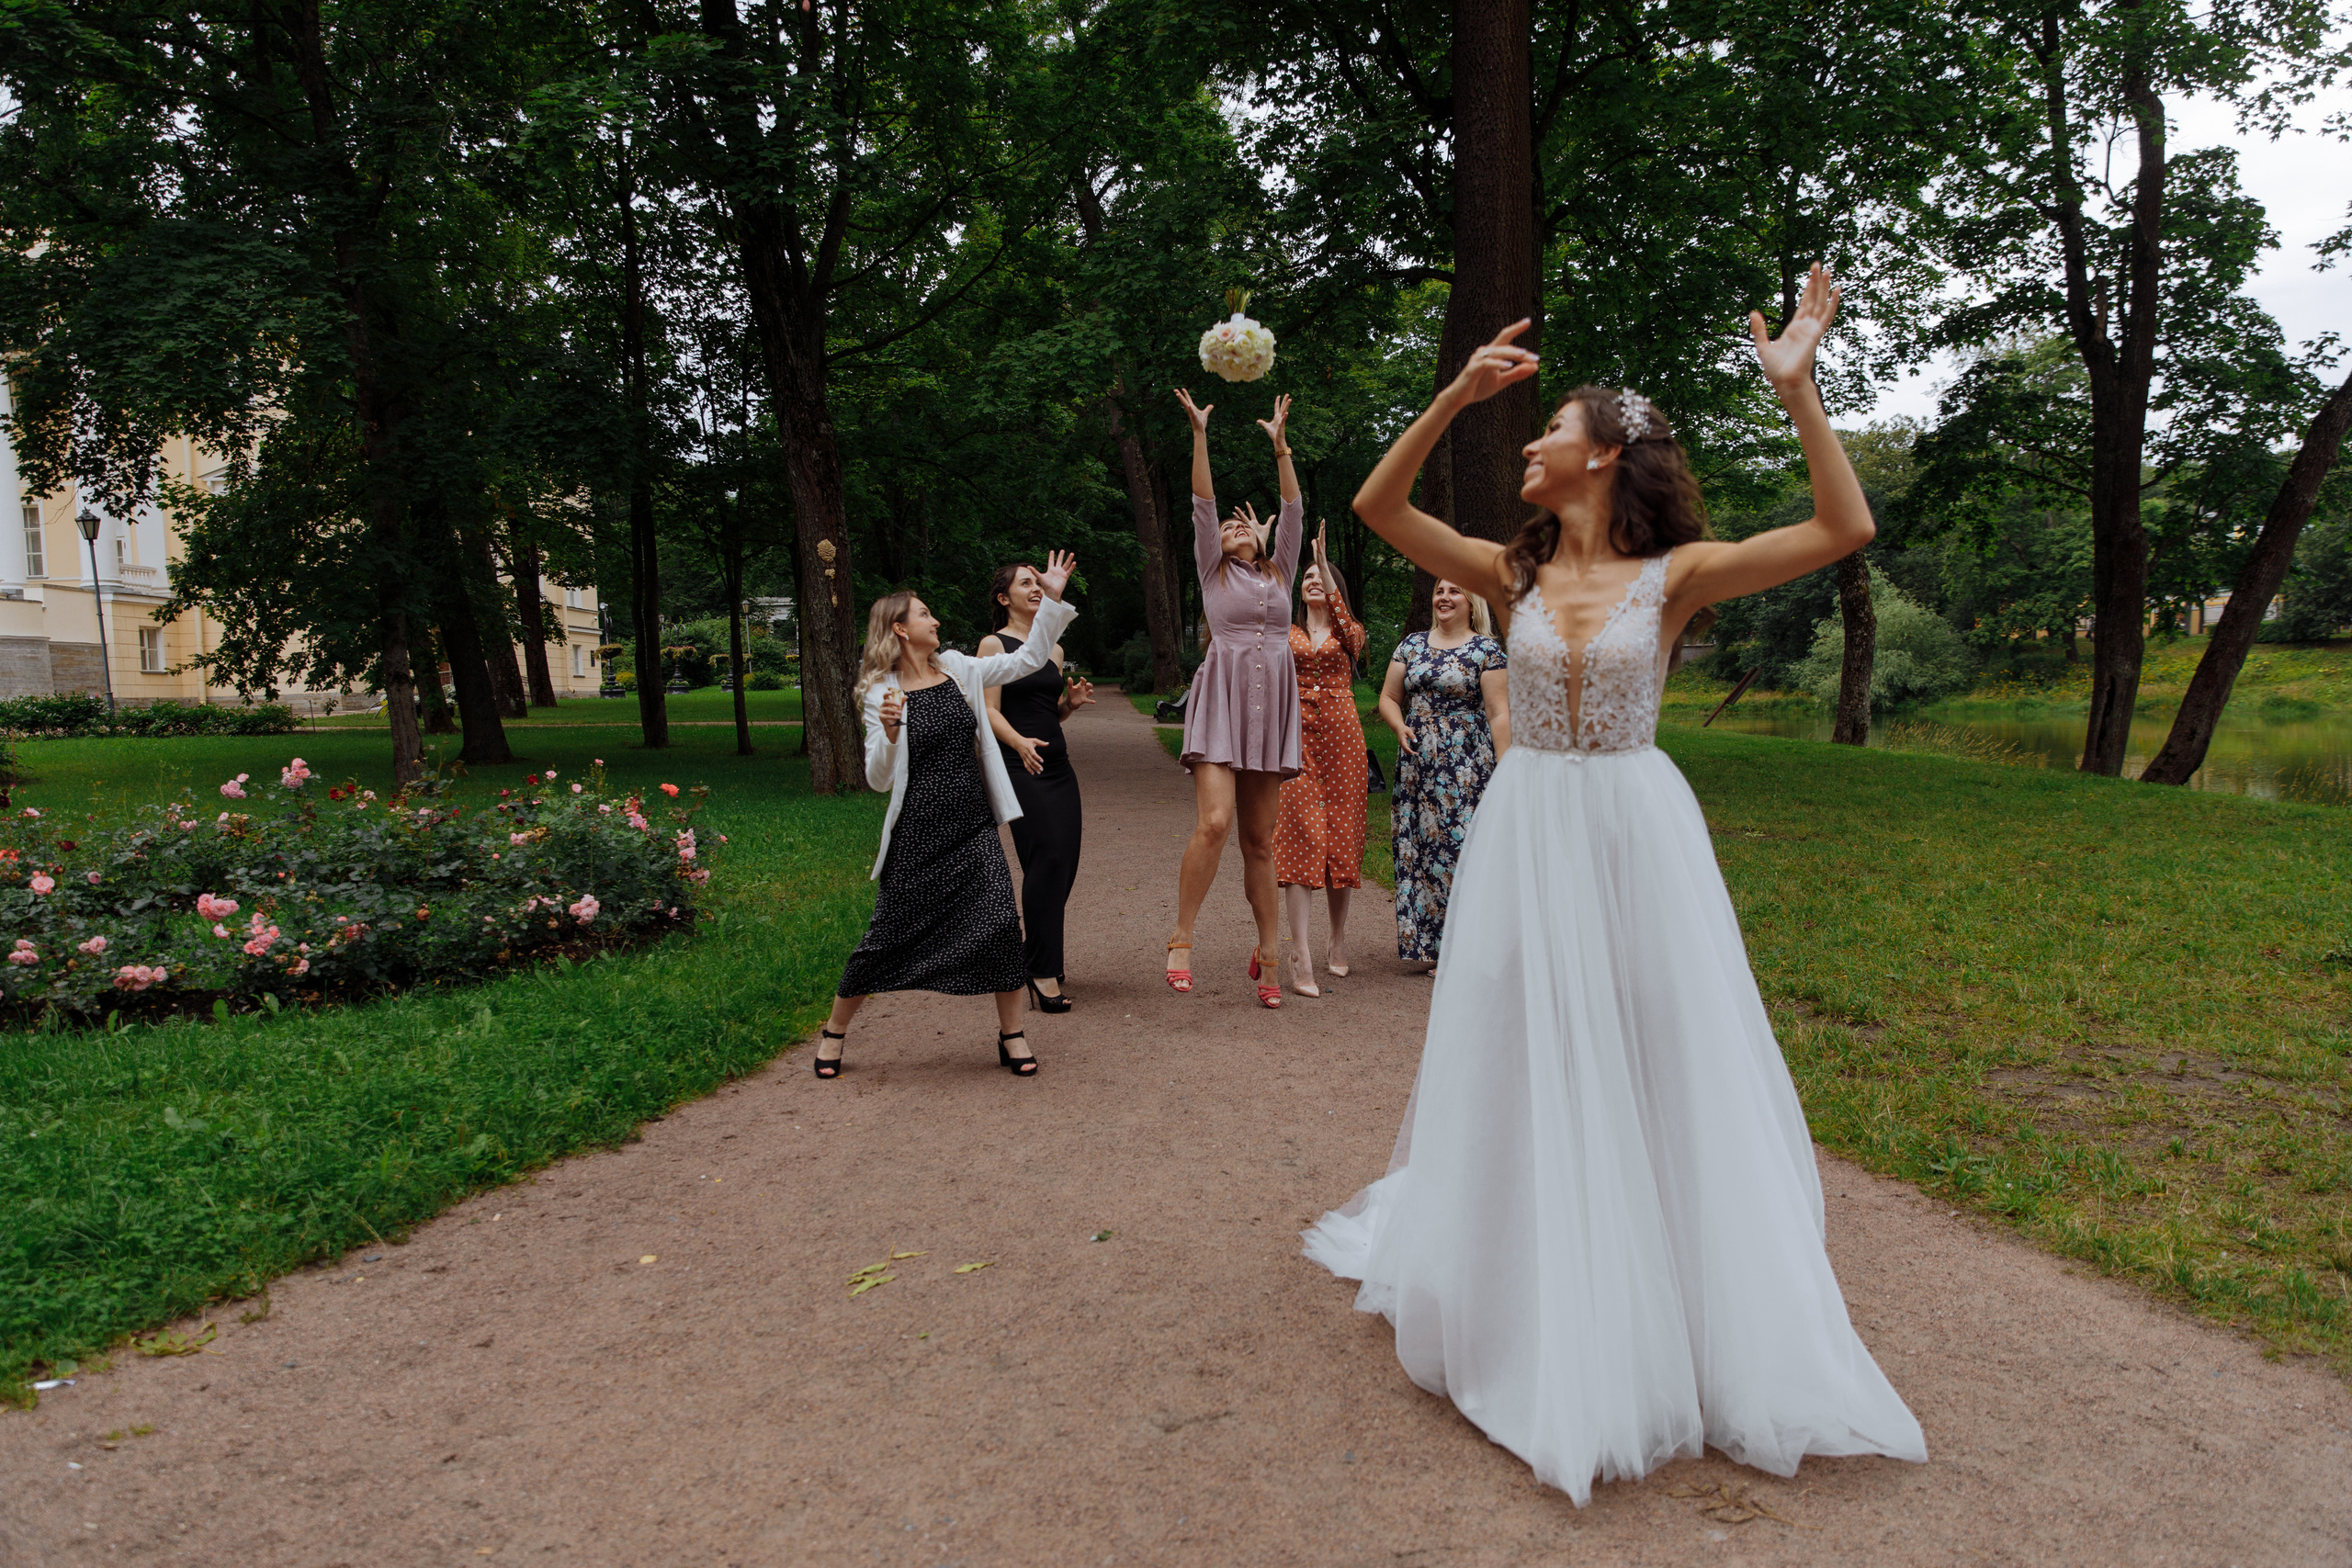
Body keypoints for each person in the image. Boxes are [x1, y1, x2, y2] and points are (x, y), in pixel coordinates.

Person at [1303, 265, 1926, 1504]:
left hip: (1639, 828)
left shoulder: (1678, 572)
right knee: (1524, 1041)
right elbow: (1378, 507)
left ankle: (1675, 1292)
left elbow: (1841, 529)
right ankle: (1536, 1283)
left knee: (1657, 1041)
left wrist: (1799, 392)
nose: (1527, 443)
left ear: (1600, 458)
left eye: (1545, 429)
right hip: (1528, 829)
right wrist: (1451, 397)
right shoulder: (1508, 573)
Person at [817, 552, 1081, 1080]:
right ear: (900, 629)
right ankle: (834, 1033)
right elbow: (878, 778)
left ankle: (1012, 1035)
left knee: (1002, 926)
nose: (935, 621)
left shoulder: (959, 667)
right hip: (919, 831)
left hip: (973, 825)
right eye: (924, 615)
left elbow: (1027, 659)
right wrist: (891, 733)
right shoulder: (879, 692)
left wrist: (1052, 597)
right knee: (887, 936)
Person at [1164, 388, 1303, 1008]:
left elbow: (1293, 510)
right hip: (1222, 701)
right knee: (1215, 822)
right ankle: (1181, 937)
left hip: (1270, 705)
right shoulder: (1213, 571)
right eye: (1226, 526)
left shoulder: (1279, 572)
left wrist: (1280, 448)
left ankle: (1269, 950)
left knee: (1259, 840)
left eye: (1241, 523)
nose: (1233, 526)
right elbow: (1202, 501)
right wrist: (1199, 434)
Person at [979, 560, 1097, 1012]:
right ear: (1003, 599)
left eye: (1036, 582)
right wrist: (1018, 743)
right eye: (1024, 583)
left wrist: (1069, 705)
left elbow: (1049, 710)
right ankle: (1042, 972)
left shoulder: (1054, 649)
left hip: (1057, 764)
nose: (1034, 588)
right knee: (1046, 856)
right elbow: (987, 709)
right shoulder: (995, 643)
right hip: (1016, 762)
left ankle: (1038, 953)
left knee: (1063, 862)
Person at [1375, 579, 1510, 968]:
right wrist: (1399, 726)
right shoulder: (1412, 645)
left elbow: (1499, 712)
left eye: (1454, 591)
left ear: (1471, 602)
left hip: (1468, 765)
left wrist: (1507, 768)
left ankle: (1468, 947)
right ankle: (1431, 946)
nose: (1444, 598)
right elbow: (1388, 697)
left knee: (1464, 850)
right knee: (1423, 851)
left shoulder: (1486, 650)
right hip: (1418, 765)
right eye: (1438, 591)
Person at [1272, 522, 1368, 998]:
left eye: (1323, 575)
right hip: (1295, 740)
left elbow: (1354, 638)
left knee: (1340, 834)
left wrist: (1327, 569)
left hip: (1342, 737)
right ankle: (1300, 951)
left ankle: (1338, 939)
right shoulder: (1284, 632)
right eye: (1308, 575)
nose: (1313, 578)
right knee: (1298, 833)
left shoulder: (1349, 632)